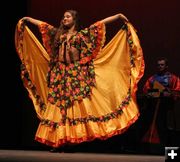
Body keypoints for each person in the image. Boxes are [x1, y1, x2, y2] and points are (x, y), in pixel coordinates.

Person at [15, 10, 144, 152]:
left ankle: (70, 141)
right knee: (59, 108)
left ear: (74, 20)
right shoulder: (58, 34)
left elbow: (99, 24)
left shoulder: (81, 35)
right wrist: (28, 19)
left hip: (75, 74)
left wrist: (118, 16)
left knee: (72, 108)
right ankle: (58, 141)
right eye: (63, 16)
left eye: (68, 16)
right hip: (60, 75)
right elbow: (44, 26)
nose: (64, 18)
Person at [142, 57, 180, 148]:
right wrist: (159, 93)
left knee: (167, 127)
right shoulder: (152, 79)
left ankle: (167, 145)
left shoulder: (173, 78)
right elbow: (146, 91)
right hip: (154, 107)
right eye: (158, 65)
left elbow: (177, 92)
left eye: (162, 65)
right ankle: (152, 146)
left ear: (166, 66)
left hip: (167, 108)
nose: (160, 66)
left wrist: (168, 93)